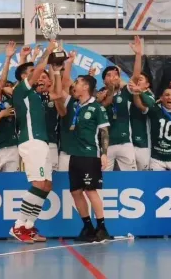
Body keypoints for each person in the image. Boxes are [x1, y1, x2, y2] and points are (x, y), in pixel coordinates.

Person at [9, 40, 57, 244]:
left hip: (42, 142)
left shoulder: (37, 96)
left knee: (46, 185)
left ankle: (29, 226)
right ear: (23, 76)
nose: (37, 74)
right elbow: (37, 71)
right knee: (38, 183)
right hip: (30, 141)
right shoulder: (21, 90)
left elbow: (57, 92)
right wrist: (48, 51)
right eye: (31, 71)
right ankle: (18, 225)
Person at [54, 74, 111, 242]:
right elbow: (61, 89)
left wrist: (104, 153)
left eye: (77, 83)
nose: (74, 85)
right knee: (75, 192)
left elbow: (104, 132)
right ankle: (87, 226)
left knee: (90, 190)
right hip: (74, 156)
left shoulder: (97, 108)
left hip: (89, 155)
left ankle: (102, 227)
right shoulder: (74, 104)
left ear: (86, 87)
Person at [97, 36, 142, 171]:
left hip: (125, 143)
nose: (113, 77)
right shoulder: (100, 95)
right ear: (104, 80)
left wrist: (138, 54)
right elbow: (106, 103)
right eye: (109, 75)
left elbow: (135, 76)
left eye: (116, 74)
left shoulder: (125, 92)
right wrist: (109, 90)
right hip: (106, 144)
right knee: (104, 179)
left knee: (131, 177)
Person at [129, 73, 154, 171]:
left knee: (144, 176)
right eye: (136, 79)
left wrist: (139, 92)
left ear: (147, 85)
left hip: (144, 144)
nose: (137, 81)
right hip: (128, 144)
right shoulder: (127, 94)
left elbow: (151, 104)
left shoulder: (149, 95)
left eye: (141, 79)